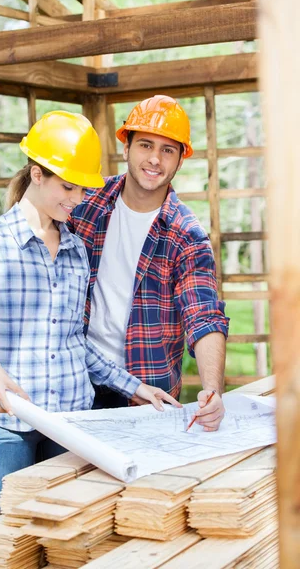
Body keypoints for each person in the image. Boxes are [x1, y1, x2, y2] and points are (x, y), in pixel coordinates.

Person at [0, 110, 180, 522]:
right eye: (68, 187)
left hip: (71, 425)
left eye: (80, 189)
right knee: (3, 543)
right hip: (9, 422)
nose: (77, 200)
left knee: (65, 545)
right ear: (37, 174)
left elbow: (77, 342)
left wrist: (134, 387)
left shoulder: (76, 250)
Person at [67, 95, 230, 431]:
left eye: (168, 150)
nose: (155, 159)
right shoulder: (86, 204)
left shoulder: (187, 236)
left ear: (180, 160)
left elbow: (204, 315)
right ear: (126, 148)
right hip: (76, 381)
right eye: (145, 145)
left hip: (145, 395)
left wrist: (213, 390)